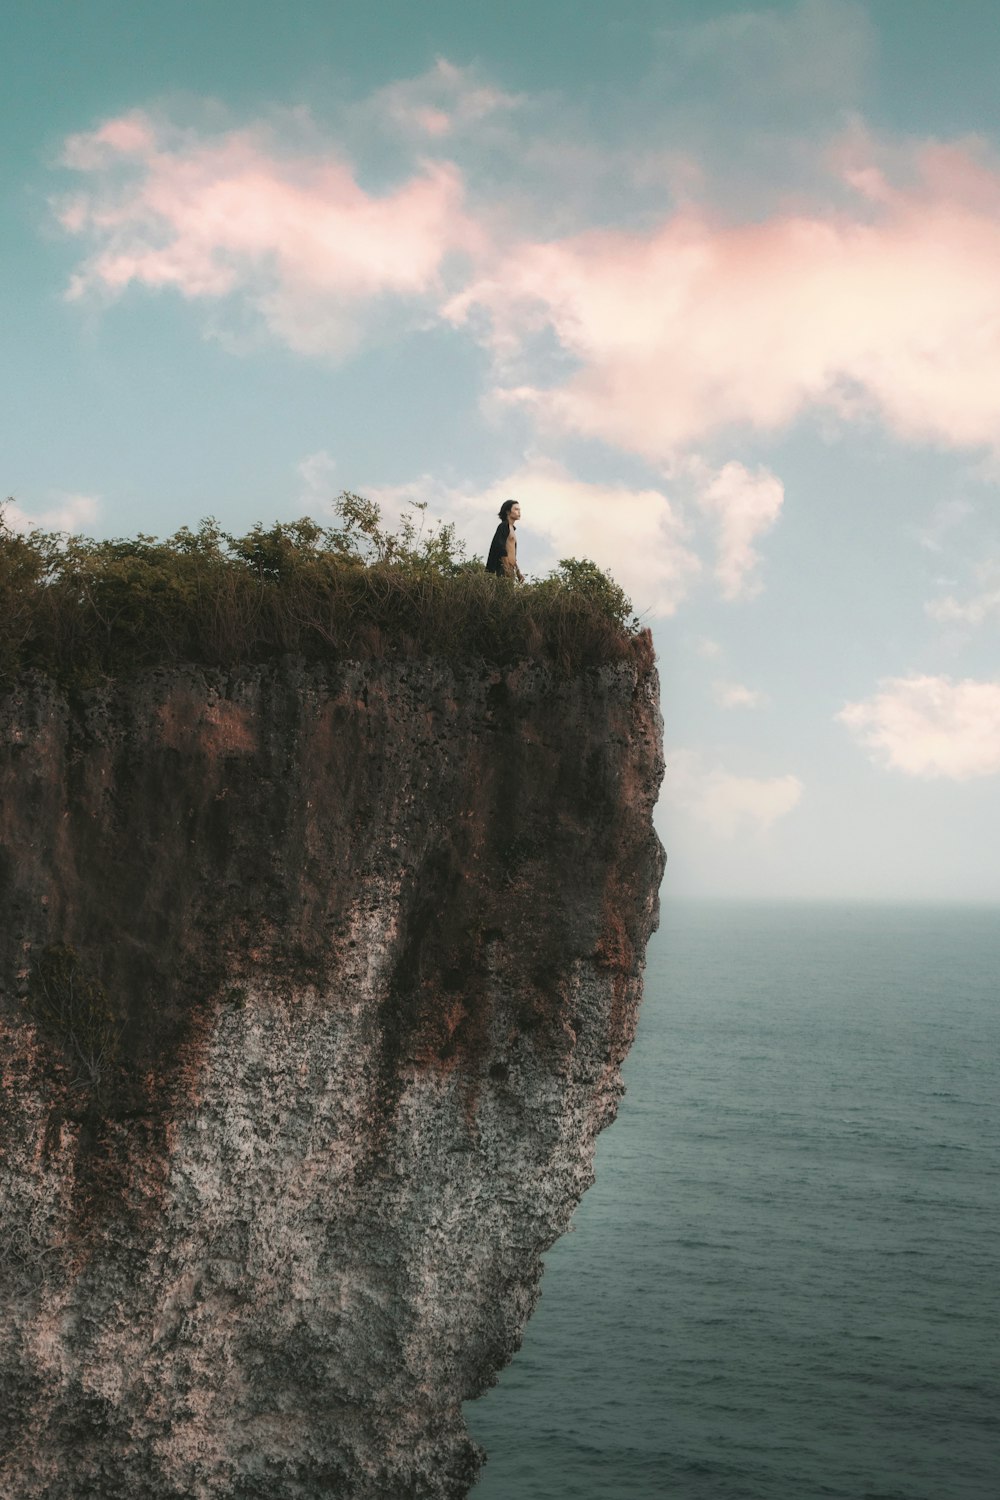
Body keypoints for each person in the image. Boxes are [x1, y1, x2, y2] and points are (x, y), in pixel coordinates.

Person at [485, 499, 524, 581]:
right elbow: (500, 546)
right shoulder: (503, 526)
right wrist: (506, 568)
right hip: (502, 569)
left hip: (510, 569)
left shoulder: (512, 529)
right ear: (508, 512)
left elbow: (512, 554)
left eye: (519, 510)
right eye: (516, 509)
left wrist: (518, 572)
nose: (519, 512)